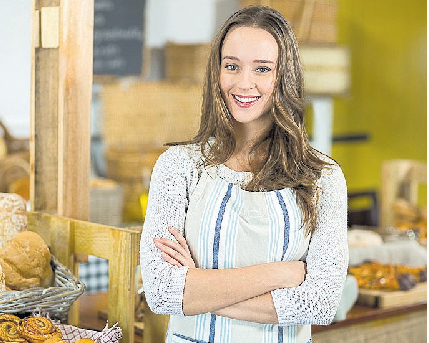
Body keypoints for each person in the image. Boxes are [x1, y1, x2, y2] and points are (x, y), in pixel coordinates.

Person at [139, 5, 348, 343]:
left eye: (262, 69)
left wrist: (197, 288)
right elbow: (161, 292)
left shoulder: (321, 178)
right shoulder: (178, 166)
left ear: (284, 76)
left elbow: (320, 303)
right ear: (216, 72)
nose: (243, 83)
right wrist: (283, 273)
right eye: (231, 66)